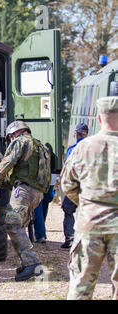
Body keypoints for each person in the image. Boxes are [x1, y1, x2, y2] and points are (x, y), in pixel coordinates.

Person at [61, 96, 117, 300]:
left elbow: (67, 184)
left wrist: (87, 206)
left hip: (89, 225)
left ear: (100, 119)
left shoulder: (82, 148)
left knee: (81, 285)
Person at [0, 120, 51, 281]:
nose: (10, 140)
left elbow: (9, 160)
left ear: (14, 133)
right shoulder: (41, 146)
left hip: (24, 190)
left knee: (12, 223)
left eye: (10, 137)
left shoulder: (20, 141)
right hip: (37, 193)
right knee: (20, 226)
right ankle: (26, 264)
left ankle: (32, 263)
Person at [60, 122, 89, 249]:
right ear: (87, 134)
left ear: (76, 134)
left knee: (68, 210)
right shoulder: (94, 149)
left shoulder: (72, 149)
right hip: (89, 187)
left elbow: (68, 168)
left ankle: (70, 239)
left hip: (75, 186)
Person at [32, 174, 56, 243]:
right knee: (44, 203)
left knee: (37, 205)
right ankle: (41, 230)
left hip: (36, 179)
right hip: (51, 180)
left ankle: (40, 234)